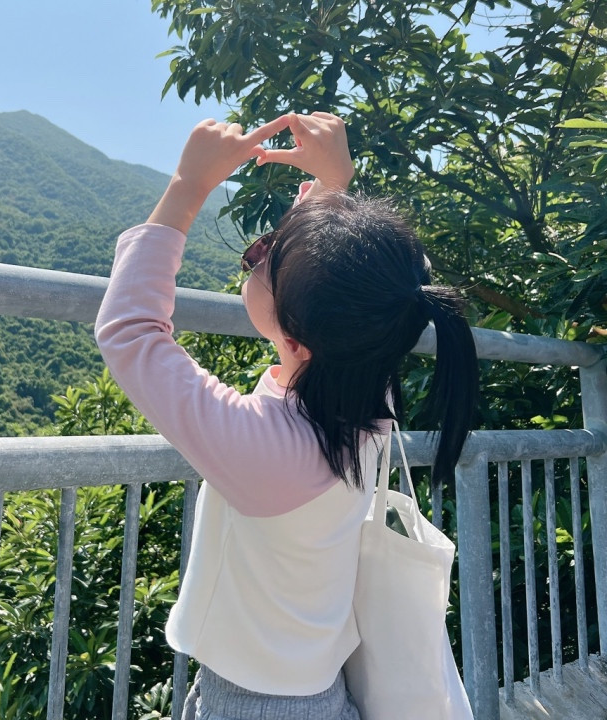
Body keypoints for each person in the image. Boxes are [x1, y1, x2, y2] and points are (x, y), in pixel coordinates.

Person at [94, 112, 478, 720]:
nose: (257, 254)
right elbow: (341, 293)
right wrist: (333, 186)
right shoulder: (365, 395)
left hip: (252, 704)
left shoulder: (266, 446)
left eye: (259, 257)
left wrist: (188, 187)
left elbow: (131, 332)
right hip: (317, 687)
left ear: (296, 340)